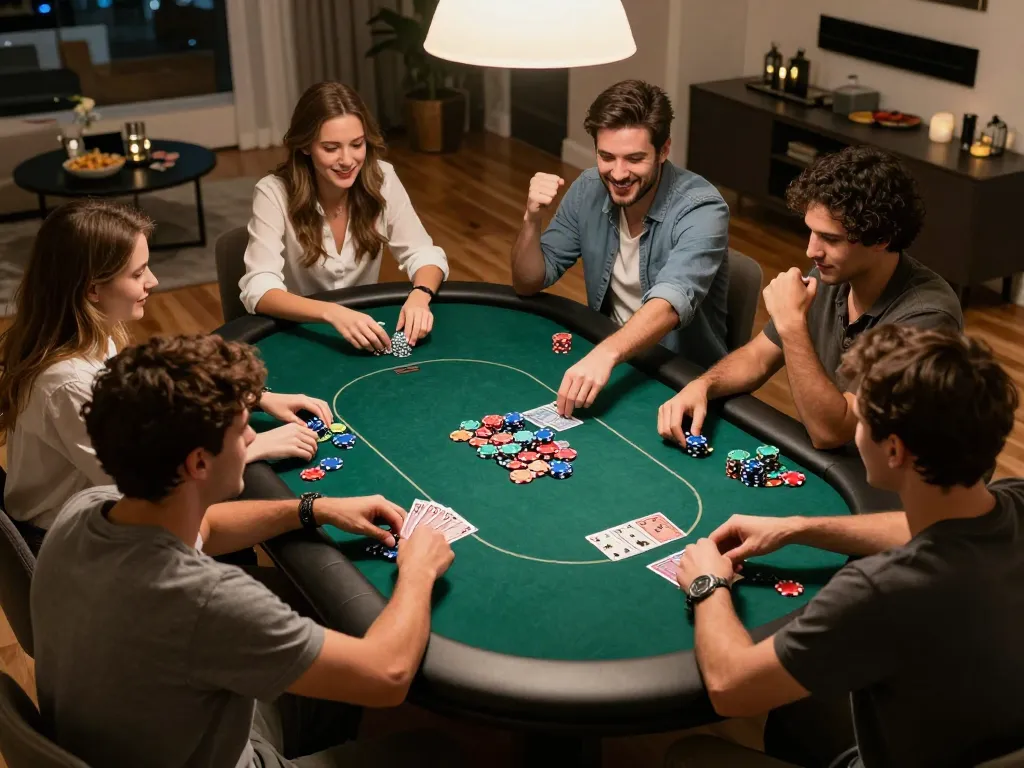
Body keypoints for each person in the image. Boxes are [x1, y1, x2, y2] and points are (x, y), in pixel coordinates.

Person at [31, 333, 456, 768]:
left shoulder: (83, 511)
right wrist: (418, 570)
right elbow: (388, 674)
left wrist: (314, 508)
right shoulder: (205, 598)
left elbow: (208, 526)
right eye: (240, 429)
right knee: (438, 751)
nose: (253, 435)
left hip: (145, 731)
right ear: (199, 463)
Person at [666, 324, 1023, 768]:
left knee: (688, 756)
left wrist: (708, 585)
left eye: (860, 417)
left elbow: (730, 687)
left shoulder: (878, 591)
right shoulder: (1014, 500)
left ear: (894, 451)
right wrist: (797, 527)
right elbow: (920, 530)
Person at [0, 200, 333, 552]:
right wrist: (252, 447)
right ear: (92, 289)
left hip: (93, 513)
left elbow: (149, 396)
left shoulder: (87, 333)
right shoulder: (68, 382)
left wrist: (254, 397)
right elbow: (145, 486)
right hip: (73, 542)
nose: (153, 281)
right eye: (137, 273)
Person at [659, 145, 963, 451]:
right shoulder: (833, 274)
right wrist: (703, 385)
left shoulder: (927, 318)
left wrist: (792, 324)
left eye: (830, 239)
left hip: (893, 475)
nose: (811, 251)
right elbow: (758, 358)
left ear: (881, 239)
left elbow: (830, 433)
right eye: (812, 232)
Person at [510, 79, 730, 418]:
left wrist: (605, 355)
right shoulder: (588, 188)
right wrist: (531, 218)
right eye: (606, 156)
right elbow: (528, 282)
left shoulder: (702, 209)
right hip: (615, 361)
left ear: (664, 150)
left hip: (680, 380)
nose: (618, 173)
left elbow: (670, 303)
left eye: (635, 158)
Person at [241, 81, 449, 353]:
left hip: (365, 331)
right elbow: (259, 288)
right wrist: (332, 312)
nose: (347, 160)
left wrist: (420, 295)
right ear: (305, 146)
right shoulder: (272, 193)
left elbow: (423, 253)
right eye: (331, 148)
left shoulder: (383, 179)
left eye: (357, 144)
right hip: (300, 333)